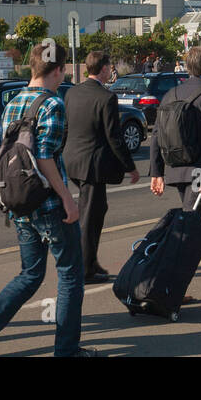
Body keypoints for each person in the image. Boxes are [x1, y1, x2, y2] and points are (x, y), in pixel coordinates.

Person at [0, 41, 99, 357]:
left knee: (30, 273)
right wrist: (68, 199)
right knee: (70, 275)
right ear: (59, 70)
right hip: (50, 204)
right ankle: (66, 350)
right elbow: (44, 158)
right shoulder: (52, 104)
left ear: (32, 67)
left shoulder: (13, 102)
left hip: (20, 202)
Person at [148, 45, 201, 289]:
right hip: (199, 171)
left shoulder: (171, 94)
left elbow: (156, 135)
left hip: (175, 167)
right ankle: (169, 286)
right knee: (188, 229)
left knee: (194, 222)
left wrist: (156, 172)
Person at [64, 50, 140, 284]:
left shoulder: (72, 92)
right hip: (91, 166)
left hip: (72, 161)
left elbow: (69, 127)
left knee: (98, 208)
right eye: (110, 67)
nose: (111, 71)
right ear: (105, 69)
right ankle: (85, 269)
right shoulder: (106, 98)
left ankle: (91, 260)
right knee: (90, 217)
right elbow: (114, 137)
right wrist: (131, 167)